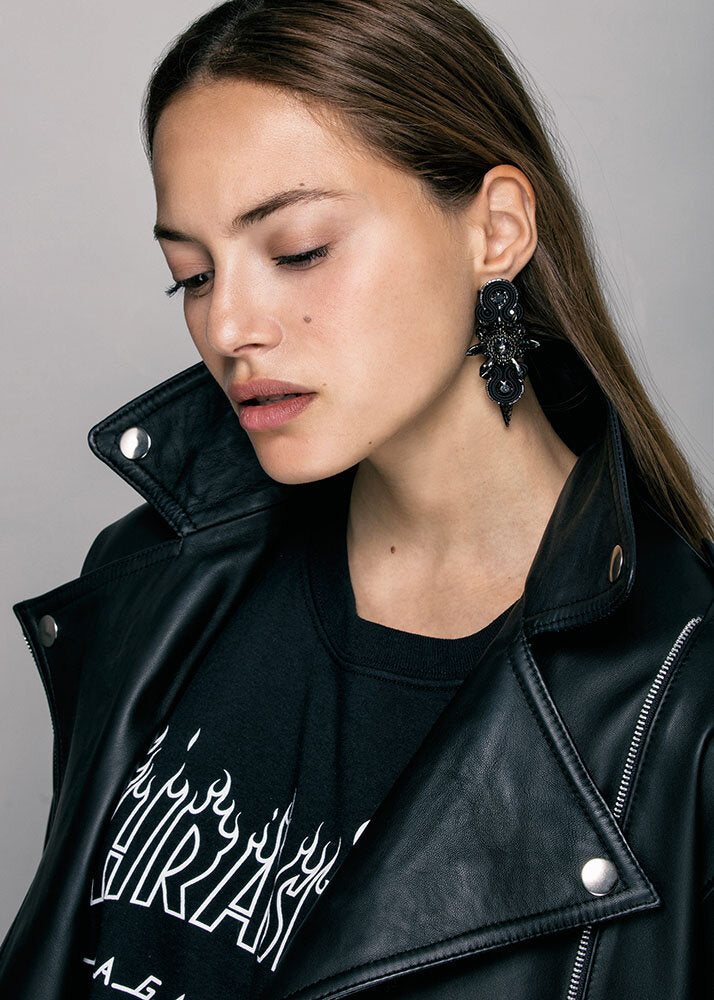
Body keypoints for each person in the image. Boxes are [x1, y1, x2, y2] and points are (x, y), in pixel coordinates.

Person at [1, 0, 713, 997]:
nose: (230, 326)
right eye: (190, 276)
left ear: (495, 231)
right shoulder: (149, 577)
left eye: (295, 249)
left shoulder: (682, 708)